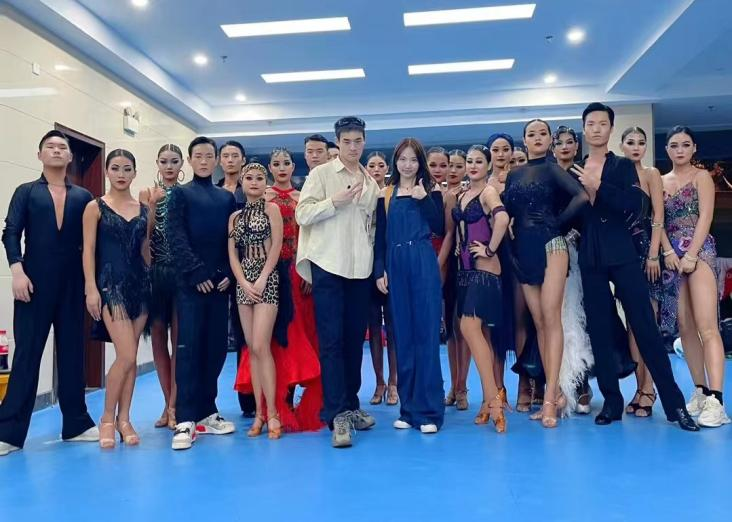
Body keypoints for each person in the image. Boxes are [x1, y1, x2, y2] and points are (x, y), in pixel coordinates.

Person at [570, 103, 698, 431]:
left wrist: (598, 187)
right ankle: (611, 402)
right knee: (599, 330)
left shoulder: (623, 165)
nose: (596, 129)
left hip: (623, 253)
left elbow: (632, 205)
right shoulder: (574, 169)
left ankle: (675, 405)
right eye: (590, 123)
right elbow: (572, 214)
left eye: (602, 123)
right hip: (590, 256)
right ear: (584, 128)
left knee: (645, 327)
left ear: (611, 129)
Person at [0, 131, 98, 457]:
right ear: (39, 154)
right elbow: (10, 232)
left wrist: (91, 285)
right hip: (33, 285)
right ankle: (9, 431)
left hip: (72, 286)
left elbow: (92, 244)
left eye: (62, 147)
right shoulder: (26, 192)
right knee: (27, 356)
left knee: (72, 355)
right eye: (50, 147)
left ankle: (77, 424)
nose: (56, 151)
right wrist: (17, 271)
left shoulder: (84, 197)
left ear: (70, 157)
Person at [296, 116, 379, 448]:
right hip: (328, 266)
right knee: (331, 342)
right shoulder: (321, 175)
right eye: (347, 142)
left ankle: (351, 404)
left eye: (358, 141)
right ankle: (336, 415)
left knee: (354, 341)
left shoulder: (370, 182)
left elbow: (372, 227)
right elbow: (302, 214)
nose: (353, 147)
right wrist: (335, 202)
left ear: (364, 141)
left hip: (360, 269)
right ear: (338, 143)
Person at [503, 119, 589, 428]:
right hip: (523, 249)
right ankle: (555, 393)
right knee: (539, 322)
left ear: (550, 139)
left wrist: (558, 222)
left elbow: (582, 197)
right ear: (524, 140)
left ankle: (551, 398)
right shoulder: (513, 175)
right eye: (532, 134)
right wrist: (510, 251)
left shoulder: (553, 170)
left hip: (553, 245)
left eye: (543, 133)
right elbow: (507, 215)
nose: (537, 138)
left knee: (552, 319)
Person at [234, 152, 324, 433]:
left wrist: (307, 270)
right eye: (276, 164)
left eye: (286, 163)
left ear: (293, 167)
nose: (282, 168)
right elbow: (234, 250)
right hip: (260, 276)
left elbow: (308, 237)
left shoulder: (300, 198)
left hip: (292, 274)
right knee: (262, 344)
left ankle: (281, 406)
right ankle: (268, 408)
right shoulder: (250, 207)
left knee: (296, 339)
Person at [167, 136, 238, 450]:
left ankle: (207, 412)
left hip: (219, 285)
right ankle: (185, 419)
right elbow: (175, 235)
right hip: (191, 285)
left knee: (216, 349)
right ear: (190, 160)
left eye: (210, 156)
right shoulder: (180, 194)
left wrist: (227, 273)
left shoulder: (226, 198)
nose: (205, 161)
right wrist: (195, 272)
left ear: (217, 160)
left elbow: (232, 239)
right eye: (199, 156)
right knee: (189, 349)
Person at [658, 126, 729, 427]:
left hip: (699, 252)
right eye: (674, 145)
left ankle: (717, 400)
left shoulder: (702, 177)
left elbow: (706, 217)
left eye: (685, 145)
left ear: (694, 148)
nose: (680, 150)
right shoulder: (660, 181)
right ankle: (700, 391)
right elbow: (657, 221)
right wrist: (668, 251)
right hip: (671, 256)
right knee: (685, 327)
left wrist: (691, 254)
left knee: (707, 325)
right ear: (667, 150)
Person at [374, 138, 445, 433]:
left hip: (423, 260)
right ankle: (408, 409)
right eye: (402, 159)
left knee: (426, 335)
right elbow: (379, 237)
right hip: (395, 263)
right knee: (401, 335)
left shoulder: (431, 190)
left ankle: (430, 412)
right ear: (395, 162)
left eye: (413, 159)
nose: (407, 165)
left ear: (420, 163)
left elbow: (440, 227)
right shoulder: (385, 194)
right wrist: (379, 270)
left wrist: (424, 199)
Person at [82, 149, 150, 448]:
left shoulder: (144, 209)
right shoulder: (95, 207)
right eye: (115, 168)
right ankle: (107, 419)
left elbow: (146, 250)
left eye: (127, 168)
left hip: (141, 286)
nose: (121, 174)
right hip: (111, 285)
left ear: (134, 172)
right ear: (107, 171)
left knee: (131, 357)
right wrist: (91, 288)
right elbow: (88, 249)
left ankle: (125, 419)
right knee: (126, 355)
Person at [452, 145, 510, 432]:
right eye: (469, 161)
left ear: (488, 165)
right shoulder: (463, 194)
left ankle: (494, 401)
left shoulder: (488, 192)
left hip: (485, 272)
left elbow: (502, 218)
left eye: (479, 161)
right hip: (464, 273)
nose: (473, 165)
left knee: (469, 327)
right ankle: (489, 400)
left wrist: (489, 248)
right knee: (479, 335)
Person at [229, 163, 284, 439]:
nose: (254, 182)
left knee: (262, 345)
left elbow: (276, 246)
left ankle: (273, 412)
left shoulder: (272, 209)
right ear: (242, 181)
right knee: (251, 348)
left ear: (266, 182)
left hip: (267, 278)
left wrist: (262, 278)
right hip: (244, 281)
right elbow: (232, 253)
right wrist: (242, 281)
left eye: (259, 178)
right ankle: (260, 414)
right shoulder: (234, 217)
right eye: (249, 178)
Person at [619, 127, 664, 418]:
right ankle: (639, 388)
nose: (636, 147)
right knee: (632, 325)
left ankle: (650, 388)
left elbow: (658, 216)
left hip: (648, 252)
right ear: (622, 145)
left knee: (649, 323)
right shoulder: (617, 174)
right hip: (623, 253)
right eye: (631, 142)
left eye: (641, 143)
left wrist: (653, 254)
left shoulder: (651, 174)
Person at [139, 144, 184, 429]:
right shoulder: (146, 194)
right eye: (164, 162)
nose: (169, 167)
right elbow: (143, 233)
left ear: (182, 165)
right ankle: (166, 403)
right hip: (155, 273)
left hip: (180, 274)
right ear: (157, 163)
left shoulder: (186, 194)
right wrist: (153, 205)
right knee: (157, 337)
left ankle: (175, 405)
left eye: (174, 162)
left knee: (178, 341)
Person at [551, 126, 595, 414]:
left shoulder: (583, 175)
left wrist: (575, 235)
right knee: (555, 318)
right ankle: (556, 387)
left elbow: (591, 211)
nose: (565, 147)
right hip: (551, 252)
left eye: (570, 142)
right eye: (560, 143)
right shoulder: (548, 174)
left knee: (580, 317)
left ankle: (581, 384)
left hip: (582, 253)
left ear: (577, 147)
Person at [216, 140, 255, 418]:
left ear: (243, 159)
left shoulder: (251, 190)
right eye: (225, 156)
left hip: (248, 271)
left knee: (246, 337)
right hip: (217, 274)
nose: (230, 160)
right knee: (217, 337)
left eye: (235, 156)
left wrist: (238, 273)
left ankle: (250, 397)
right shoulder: (213, 192)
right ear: (220, 161)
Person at [365, 151, 398, 406]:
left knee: (394, 328)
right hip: (364, 267)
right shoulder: (361, 194)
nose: (376, 169)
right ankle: (379, 382)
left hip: (390, 264)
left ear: (387, 168)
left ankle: (394, 382)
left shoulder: (392, 194)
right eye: (371, 165)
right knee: (374, 327)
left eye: (380, 165)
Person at [439, 149, 471, 410]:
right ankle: (453, 385)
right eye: (449, 165)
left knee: (465, 329)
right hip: (444, 265)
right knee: (450, 329)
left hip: (466, 264)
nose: (452, 170)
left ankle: (462, 388)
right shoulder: (435, 194)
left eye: (458, 166)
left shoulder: (469, 193)